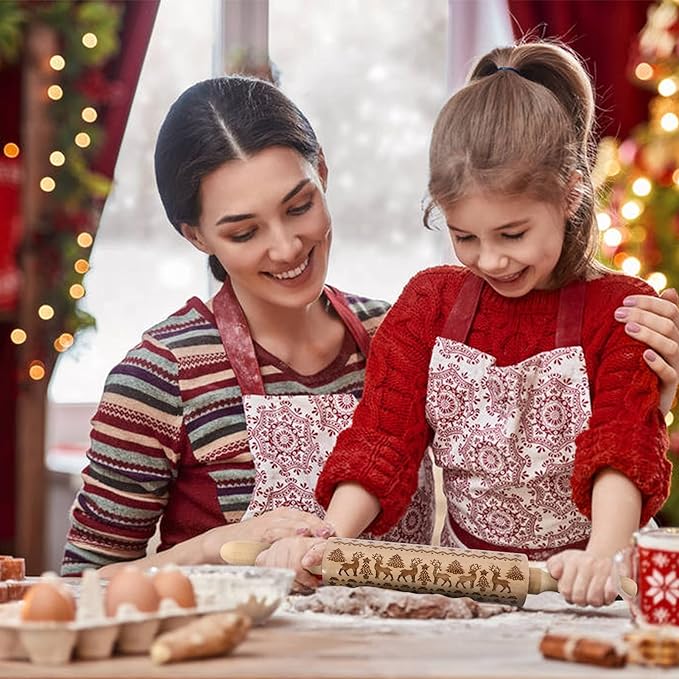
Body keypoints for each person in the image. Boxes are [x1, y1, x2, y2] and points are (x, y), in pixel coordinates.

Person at [62, 73, 678, 579]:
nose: (285, 247)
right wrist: (212, 547)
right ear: (194, 235)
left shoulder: (401, 328)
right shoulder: (159, 377)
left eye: (299, 206)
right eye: (243, 231)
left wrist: (648, 398)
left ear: (324, 173)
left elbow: (590, 427)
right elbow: (79, 588)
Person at [256, 41, 675, 606]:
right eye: (464, 236)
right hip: (468, 590)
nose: (490, 261)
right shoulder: (430, 303)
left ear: (572, 193)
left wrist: (603, 554)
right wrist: (331, 535)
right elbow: (384, 436)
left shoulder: (622, 310)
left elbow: (622, 445)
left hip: (591, 583)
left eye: (513, 234)